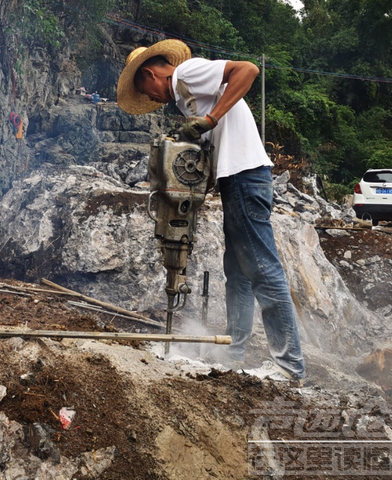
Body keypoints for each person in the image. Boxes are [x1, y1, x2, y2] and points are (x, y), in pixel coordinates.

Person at [117, 39, 306, 384]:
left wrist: (209, 119)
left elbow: (248, 70)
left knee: (263, 270)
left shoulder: (187, 73)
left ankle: (289, 367)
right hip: (235, 180)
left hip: (246, 176)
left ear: (149, 74)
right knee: (238, 273)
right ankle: (234, 354)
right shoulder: (187, 99)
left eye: (145, 91)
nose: (151, 100)